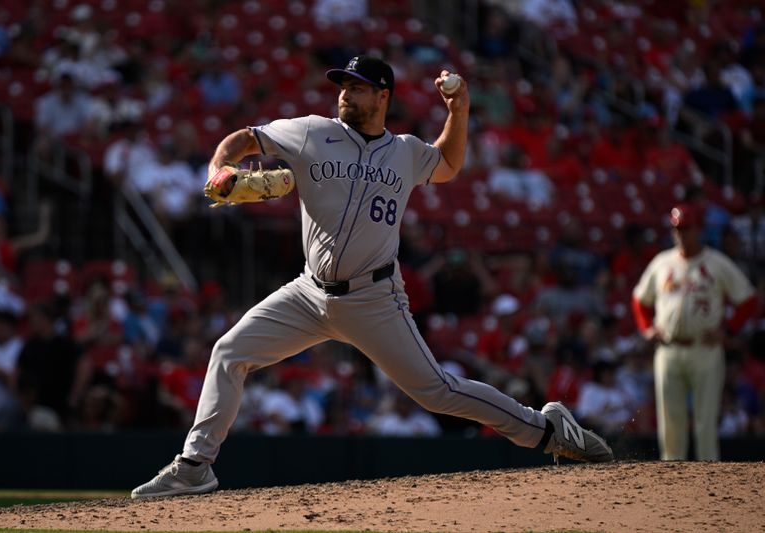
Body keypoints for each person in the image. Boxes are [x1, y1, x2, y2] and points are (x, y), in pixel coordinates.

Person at [131, 55, 613, 499]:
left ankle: (549, 430)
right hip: (308, 292)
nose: (345, 93)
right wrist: (221, 166)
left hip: (374, 298)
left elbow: (447, 164)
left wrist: (458, 112)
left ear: (383, 96)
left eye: (358, 87)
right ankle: (196, 465)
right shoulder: (310, 131)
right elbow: (247, 138)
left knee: (438, 392)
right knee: (229, 351)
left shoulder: (404, 151)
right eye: (343, 84)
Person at [632, 203, 758, 460]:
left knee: (705, 421)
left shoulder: (716, 263)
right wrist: (646, 328)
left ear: (698, 229)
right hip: (669, 348)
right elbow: (639, 299)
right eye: (677, 229)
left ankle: (708, 481)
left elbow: (748, 300)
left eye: (686, 229)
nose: (681, 234)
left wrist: (729, 330)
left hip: (705, 348)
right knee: (670, 421)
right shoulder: (662, 262)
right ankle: (672, 482)